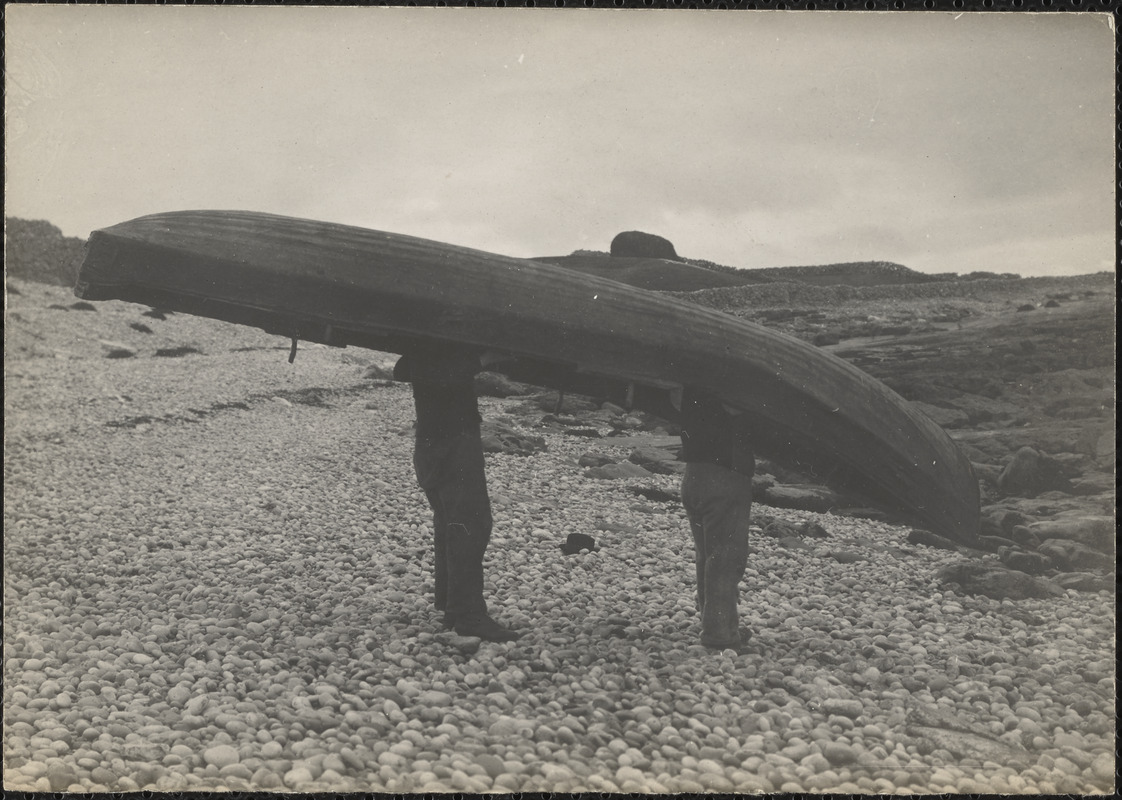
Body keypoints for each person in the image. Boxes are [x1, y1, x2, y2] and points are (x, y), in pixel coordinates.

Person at [392, 344, 519, 642]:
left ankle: (450, 603)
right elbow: (437, 372)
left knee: (451, 520)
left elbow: (404, 369)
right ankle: (468, 614)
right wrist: (482, 359)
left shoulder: (424, 341)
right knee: (471, 523)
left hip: (434, 443)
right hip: (450, 445)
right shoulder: (433, 352)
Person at [675, 386, 755, 650]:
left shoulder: (684, 388)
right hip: (724, 478)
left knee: (706, 555)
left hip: (692, 478)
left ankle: (717, 622)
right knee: (725, 559)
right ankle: (720, 634)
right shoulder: (730, 388)